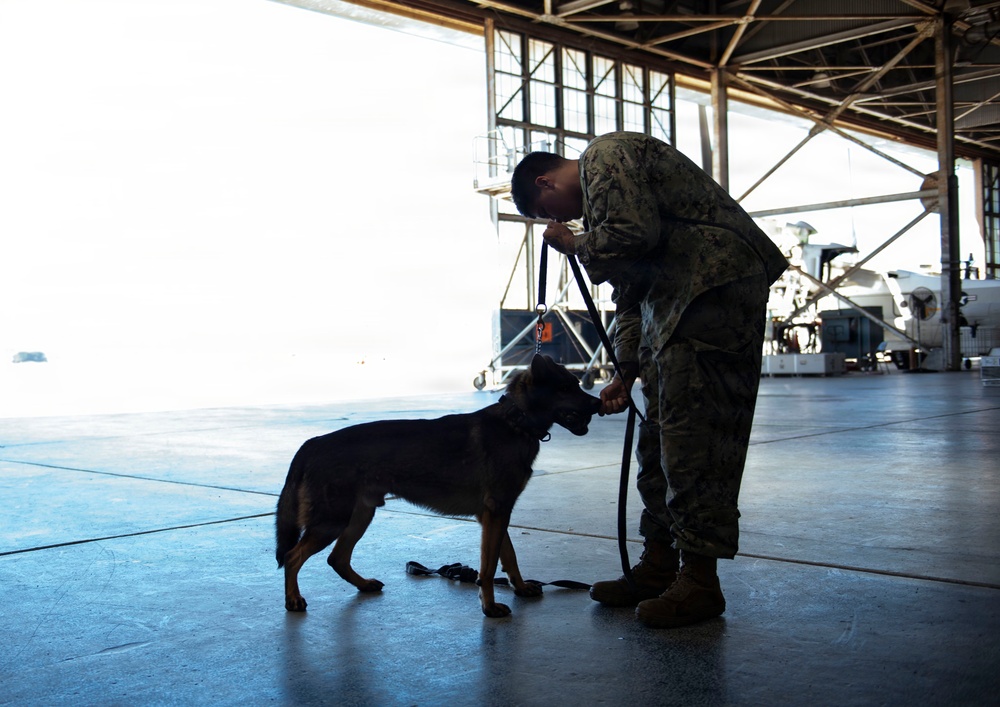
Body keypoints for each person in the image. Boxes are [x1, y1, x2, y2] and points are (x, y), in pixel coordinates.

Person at [510, 132, 787, 629]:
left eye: (547, 212)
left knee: (694, 438)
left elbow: (632, 233)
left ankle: (699, 581)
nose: (559, 222)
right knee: (658, 439)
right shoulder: (605, 210)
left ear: (545, 182)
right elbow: (631, 294)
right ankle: (660, 564)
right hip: (675, 304)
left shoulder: (604, 155)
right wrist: (626, 368)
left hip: (710, 292)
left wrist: (574, 244)